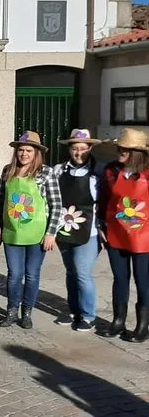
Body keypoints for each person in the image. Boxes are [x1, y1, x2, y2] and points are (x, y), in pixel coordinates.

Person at [0, 131, 62, 330]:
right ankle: (11, 311)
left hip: (37, 234)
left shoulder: (46, 173)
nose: (24, 154)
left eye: (28, 150)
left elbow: (56, 204)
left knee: (32, 274)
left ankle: (27, 313)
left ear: (36, 153)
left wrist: (51, 233)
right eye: (21, 150)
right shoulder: (8, 171)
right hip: (12, 232)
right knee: (14, 274)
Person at [98, 128, 149, 343]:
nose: (120, 151)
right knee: (119, 278)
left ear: (136, 153)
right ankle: (118, 320)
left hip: (143, 235)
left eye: (125, 149)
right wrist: (101, 224)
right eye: (120, 148)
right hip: (116, 232)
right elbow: (103, 199)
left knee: (143, 280)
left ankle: (143, 325)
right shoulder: (111, 171)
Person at [52, 129, 105, 332]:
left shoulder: (98, 173)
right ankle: (73, 310)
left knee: (82, 272)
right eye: (75, 148)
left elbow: (105, 202)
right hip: (64, 228)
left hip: (89, 231)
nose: (79, 153)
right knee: (71, 271)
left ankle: (89, 315)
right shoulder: (58, 170)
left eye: (83, 148)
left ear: (90, 149)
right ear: (69, 149)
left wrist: (103, 227)